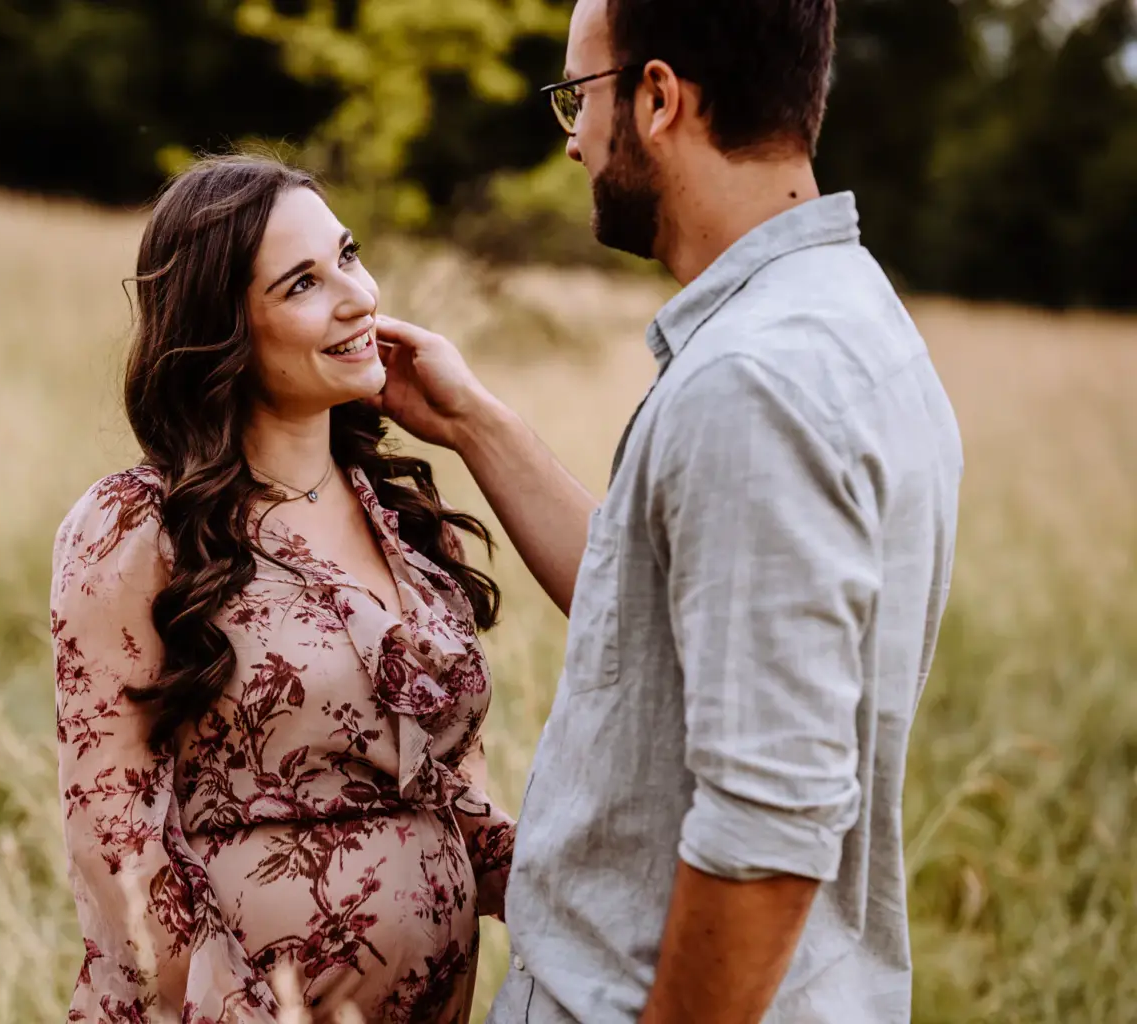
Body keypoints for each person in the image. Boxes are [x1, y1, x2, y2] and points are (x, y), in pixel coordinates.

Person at [370, 0, 964, 1021]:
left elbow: (768, 828)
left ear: (656, 98)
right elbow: (654, 611)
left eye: (578, 95)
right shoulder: (847, 317)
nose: (569, 139)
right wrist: (474, 424)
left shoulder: (757, 385)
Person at [49, 155, 515, 1024]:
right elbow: (113, 840)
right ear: (223, 328)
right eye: (304, 283)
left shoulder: (413, 524)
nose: (357, 296)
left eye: (350, 255)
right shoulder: (139, 528)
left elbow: (452, 792)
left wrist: (572, 888)